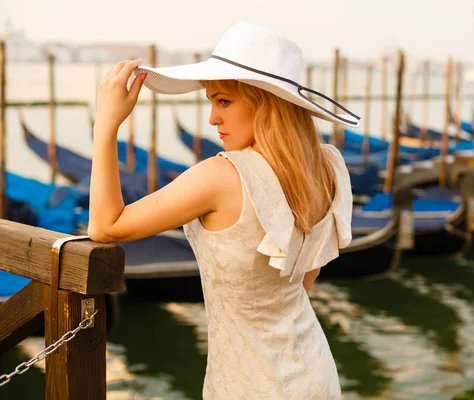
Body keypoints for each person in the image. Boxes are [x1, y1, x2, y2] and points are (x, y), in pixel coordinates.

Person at [88, 21, 360, 399]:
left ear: (267, 104)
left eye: (224, 101)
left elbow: (105, 226)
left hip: (249, 383)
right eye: (212, 102)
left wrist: (106, 125)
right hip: (312, 373)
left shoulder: (220, 176)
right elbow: (302, 282)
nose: (213, 119)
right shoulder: (326, 167)